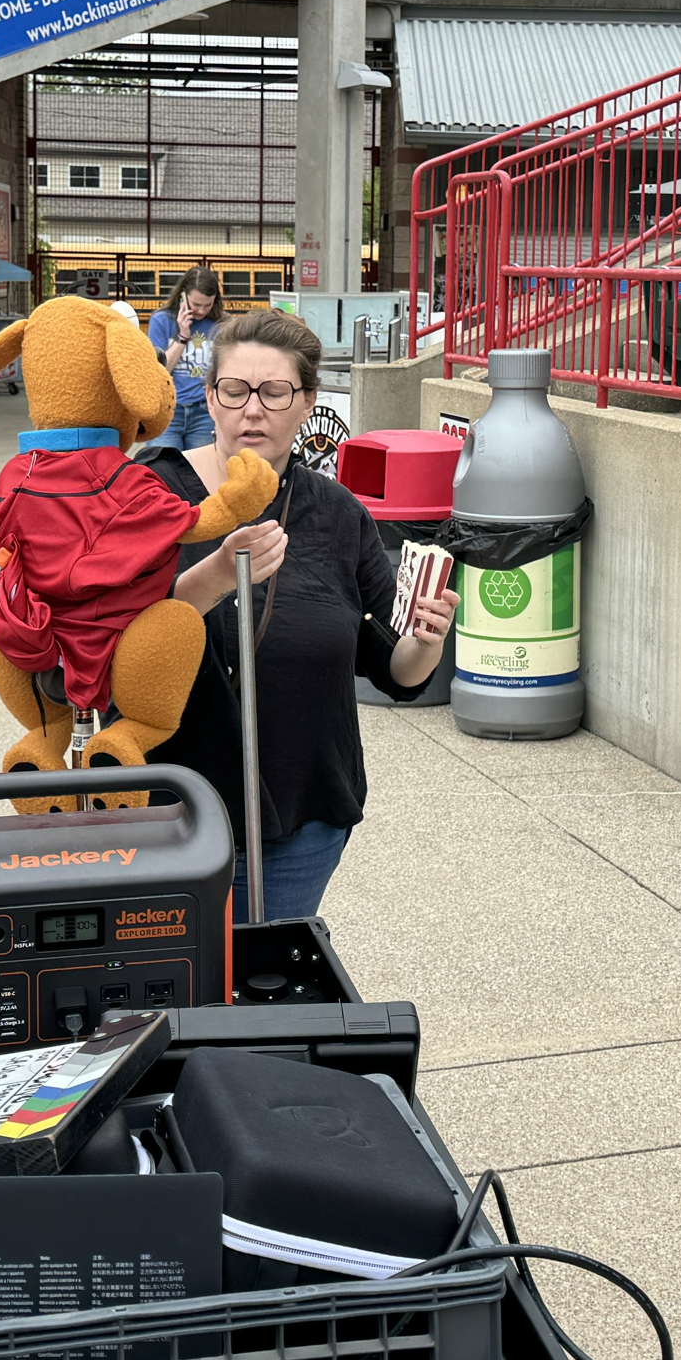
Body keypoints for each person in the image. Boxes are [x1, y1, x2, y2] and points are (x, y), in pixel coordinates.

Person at [143, 309, 456, 917]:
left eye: (275, 392)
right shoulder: (151, 496)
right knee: (184, 994)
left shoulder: (338, 513)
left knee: (270, 989)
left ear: (308, 401)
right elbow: (118, 640)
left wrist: (427, 638)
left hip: (304, 812)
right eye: (234, 391)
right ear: (209, 398)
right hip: (169, 809)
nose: (252, 410)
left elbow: (396, 670)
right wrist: (212, 576)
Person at [148, 263, 226, 451]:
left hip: (204, 412)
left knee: (199, 473)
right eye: (196, 304)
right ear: (183, 296)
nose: (201, 310)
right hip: (168, 410)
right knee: (163, 469)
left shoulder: (220, 325)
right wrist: (182, 337)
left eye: (208, 305)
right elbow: (159, 371)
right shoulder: (161, 321)